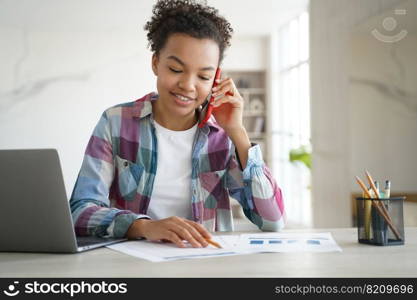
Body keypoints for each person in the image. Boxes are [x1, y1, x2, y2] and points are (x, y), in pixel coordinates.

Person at [70, 0, 285, 248]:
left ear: (215, 79)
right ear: (155, 63)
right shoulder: (116, 122)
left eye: (203, 76)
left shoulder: (222, 137)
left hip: (204, 265)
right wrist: (143, 226)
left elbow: (272, 220)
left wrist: (237, 131)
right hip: (131, 264)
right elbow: (80, 210)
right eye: (175, 69)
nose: (188, 85)